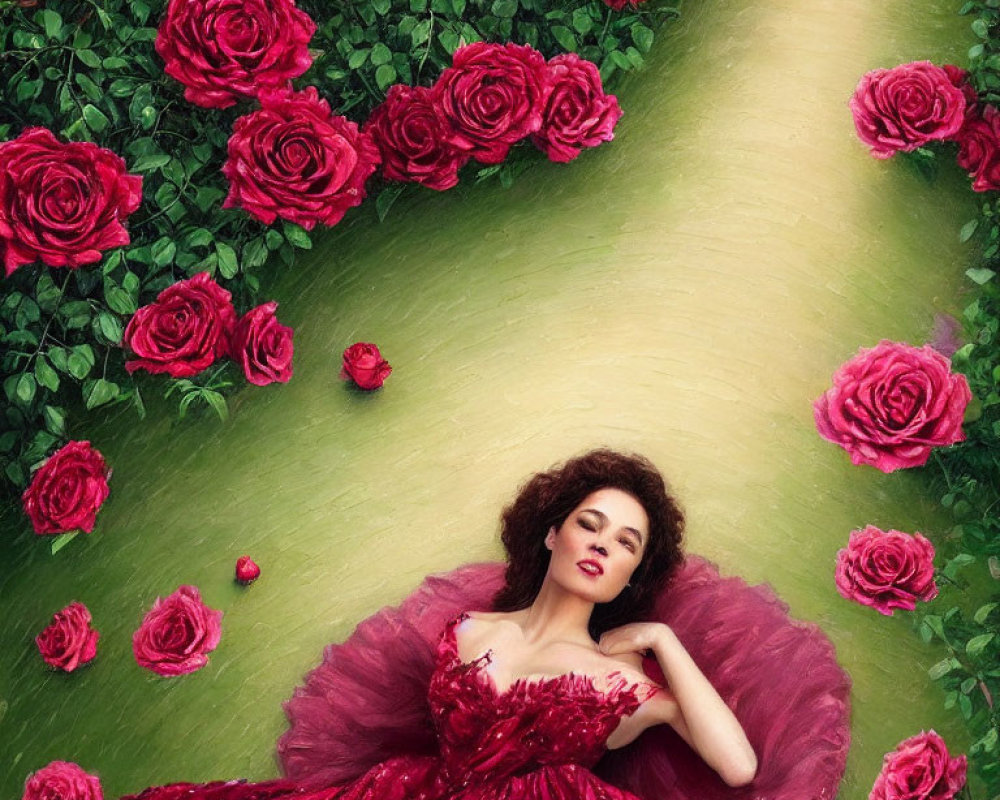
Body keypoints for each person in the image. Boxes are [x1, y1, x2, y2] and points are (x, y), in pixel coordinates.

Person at [124, 449, 848, 800]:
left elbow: (740, 767)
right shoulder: (467, 630)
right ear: (550, 534)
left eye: (625, 542)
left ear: (633, 575)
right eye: (589, 525)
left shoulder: (626, 682)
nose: (601, 544)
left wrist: (663, 641)